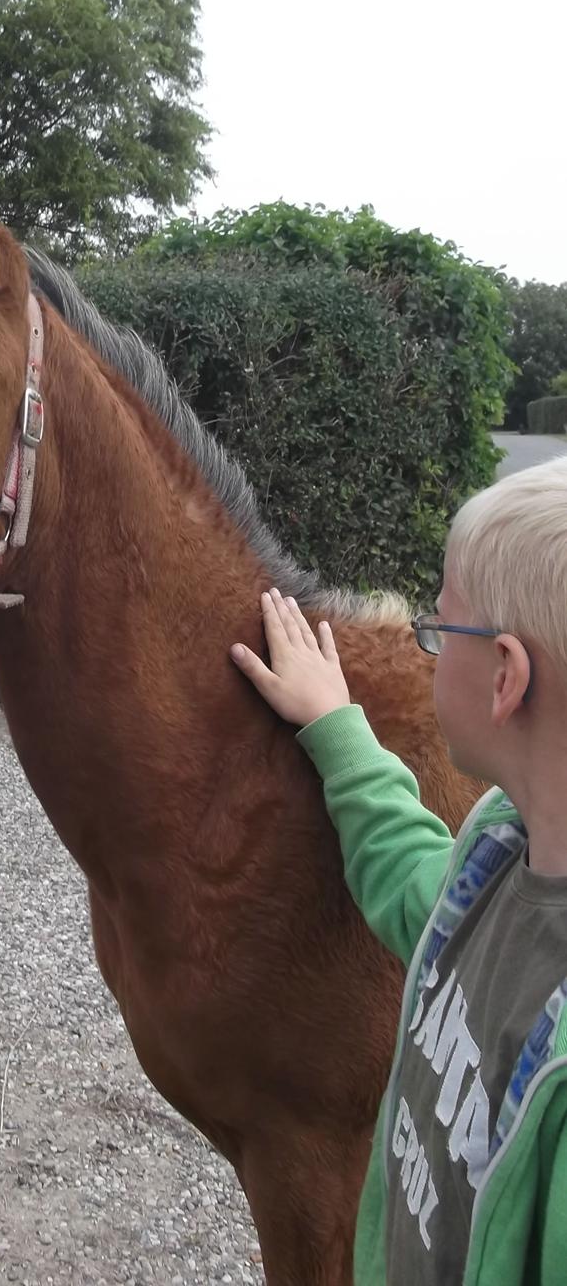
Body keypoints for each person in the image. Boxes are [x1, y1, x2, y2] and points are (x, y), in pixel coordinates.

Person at [229, 458, 567, 1285]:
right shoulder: (501, 848)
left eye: (439, 630)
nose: (425, 645)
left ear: (506, 678)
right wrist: (337, 727)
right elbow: (425, 893)